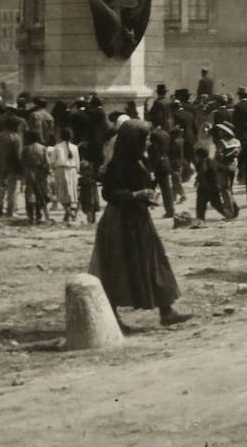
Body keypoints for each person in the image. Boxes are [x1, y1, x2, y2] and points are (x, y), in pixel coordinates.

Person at [88, 119, 191, 329]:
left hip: (138, 218)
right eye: (144, 139)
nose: (147, 143)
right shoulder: (117, 163)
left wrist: (147, 196)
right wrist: (136, 194)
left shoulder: (139, 160)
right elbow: (108, 194)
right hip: (120, 222)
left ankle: (166, 310)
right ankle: (113, 318)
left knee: (153, 261)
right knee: (119, 268)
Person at [0, 115, 24, 217]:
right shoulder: (16, 137)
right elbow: (18, 155)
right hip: (12, 166)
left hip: (1, 164)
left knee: (0, 187)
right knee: (12, 189)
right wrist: (20, 169)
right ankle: (10, 210)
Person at [51, 126, 80, 224]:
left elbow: (52, 161)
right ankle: (70, 212)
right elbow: (77, 162)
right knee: (71, 192)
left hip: (61, 170)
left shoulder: (57, 147)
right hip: (72, 170)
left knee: (62, 192)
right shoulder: (75, 147)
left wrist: (53, 168)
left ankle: (67, 211)